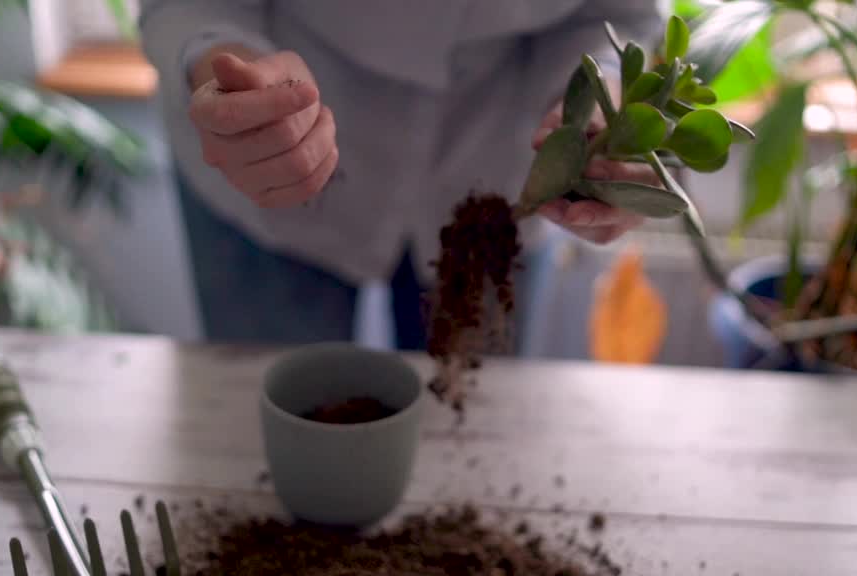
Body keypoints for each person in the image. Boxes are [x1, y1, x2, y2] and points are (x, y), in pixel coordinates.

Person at [139, 1, 666, 349]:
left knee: (465, 450)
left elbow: (613, 12)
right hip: (261, 170)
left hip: (498, 169)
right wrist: (228, 74)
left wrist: (598, 98)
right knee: (259, 441)